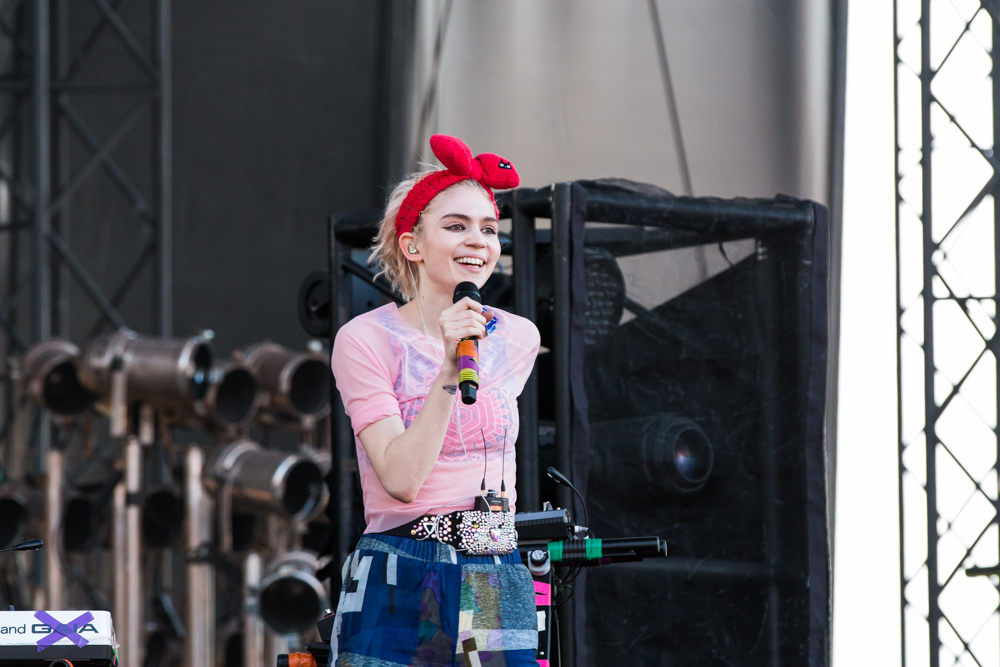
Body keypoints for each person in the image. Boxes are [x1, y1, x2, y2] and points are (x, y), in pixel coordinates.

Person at [329, 134, 541, 666]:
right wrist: (449, 366)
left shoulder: (518, 337)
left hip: (496, 563)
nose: (478, 240)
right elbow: (399, 480)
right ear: (413, 245)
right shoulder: (365, 339)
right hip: (405, 562)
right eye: (456, 226)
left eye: (489, 228)